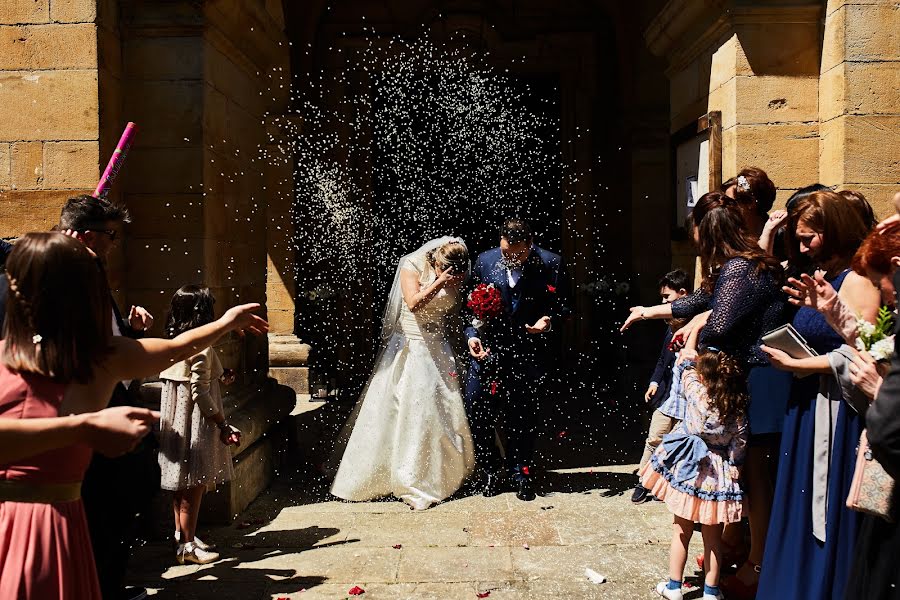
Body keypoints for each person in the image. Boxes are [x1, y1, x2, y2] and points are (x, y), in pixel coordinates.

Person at [0, 232, 267, 600]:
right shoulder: (94, 358)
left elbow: (174, 348)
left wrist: (226, 322)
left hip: (57, 527)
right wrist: (85, 427)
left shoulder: (100, 356)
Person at [758, 190, 879, 600]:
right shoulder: (821, 274)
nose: (804, 245)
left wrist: (798, 366)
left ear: (837, 230)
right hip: (807, 407)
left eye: (811, 237)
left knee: (825, 508)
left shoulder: (859, 278)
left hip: (837, 413)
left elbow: (866, 352)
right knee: (798, 501)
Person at [57, 194, 157, 600]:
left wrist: (131, 331)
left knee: (118, 503)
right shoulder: (57, 284)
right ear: (82, 237)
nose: (114, 244)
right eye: (110, 235)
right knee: (105, 505)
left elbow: (110, 342)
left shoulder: (92, 276)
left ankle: (104, 584)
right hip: (80, 412)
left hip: (102, 405)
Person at [330, 238, 476, 510]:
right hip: (412, 344)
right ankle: (401, 475)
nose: (452, 273)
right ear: (436, 260)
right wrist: (439, 282)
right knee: (410, 408)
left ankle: (442, 474)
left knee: (441, 409)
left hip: (438, 344)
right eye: (445, 268)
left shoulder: (460, 272)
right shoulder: (412, 265)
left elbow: (454, 312)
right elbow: (413, 303)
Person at [463, 218, 571, 501]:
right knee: (477, 409)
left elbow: (564, 306)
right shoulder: (485, 261)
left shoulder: (551, 263)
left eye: (517, 253)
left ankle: (519, 471)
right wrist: (472, 336)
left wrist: (547, 322)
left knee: (522, 416)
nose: (510, 257)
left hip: (527, 353)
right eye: (506, 251)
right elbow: (469, 307)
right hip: (487, 351)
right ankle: (490, 469)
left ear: (530, 243)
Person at [641, 351, 749, 600]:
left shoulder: (697, 394)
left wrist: (689, 354)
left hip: (689, 472)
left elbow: (684, 370)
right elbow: (739, 446)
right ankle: (711, 592)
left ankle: (674, 587)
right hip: (717, 478)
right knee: (713, 538)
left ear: (705, 377)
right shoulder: (737, 409)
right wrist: (735, 467)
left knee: (681, 530)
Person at [158, 285, 241, 564]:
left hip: (175, 416)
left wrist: (222, 373)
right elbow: (199, 391)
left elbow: (195, 371)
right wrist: (222, 423)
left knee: (179, 480)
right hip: (194, 419)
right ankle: (189, 545)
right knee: (194, 483)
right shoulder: (202, 346)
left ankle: (181, 537)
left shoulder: (177, 340)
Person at [633, 270, 690, 504]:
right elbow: (662, 359)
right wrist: (655, 381)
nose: (664, 302)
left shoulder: (697, 323)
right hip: (669, 398)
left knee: (678, 444)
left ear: (683, 294)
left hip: (688, 401)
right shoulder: (670, 325)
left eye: (667, 297)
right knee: (654, 438)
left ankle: (666, 484)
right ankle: (642, 480)